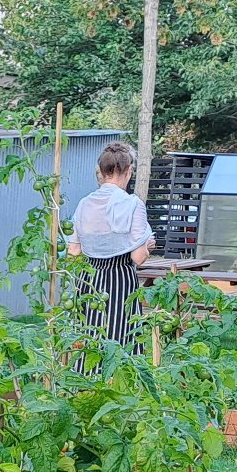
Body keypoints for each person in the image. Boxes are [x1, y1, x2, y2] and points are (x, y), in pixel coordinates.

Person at [67, 141, 155, 354]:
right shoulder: (133, 204)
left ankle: (86, 381)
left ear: (102, 171)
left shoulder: (84, 204)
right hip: (120, 278)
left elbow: (73, 252)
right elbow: (138, 258)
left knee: (90, 335)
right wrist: (147, 245)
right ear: (128, 170)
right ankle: (120, 381)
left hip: (89, 280)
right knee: (122, 336)